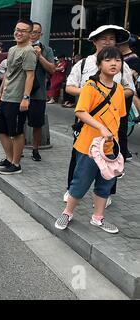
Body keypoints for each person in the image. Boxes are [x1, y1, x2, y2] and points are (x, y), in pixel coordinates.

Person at [55, 47, 126, 234]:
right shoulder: (90, 86)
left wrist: (117, 144)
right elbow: (80, 111)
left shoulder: (119, 90)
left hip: (110, 147)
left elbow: (119, 117)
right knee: (80, 181)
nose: (114, 64)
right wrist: (101, 128)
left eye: (117, 60)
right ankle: (67, 212)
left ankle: (98, 217)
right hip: (88, 145)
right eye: (109, 60)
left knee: (105, 183)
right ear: (99, 64)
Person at [64, 25, 135, 205]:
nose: (108, 42)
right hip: (87, 115)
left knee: (112, 155)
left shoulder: (122, 64)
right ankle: (72, 190)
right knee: (80, 154)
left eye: (111, 39)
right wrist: (91, 93)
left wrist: (112, 96)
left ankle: (106, 192)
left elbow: (130, 89)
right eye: (103, 38)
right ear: (94, 42)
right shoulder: (83, 64)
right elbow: (69, 86)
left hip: (113, 118)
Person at [0, 19, 37, 175]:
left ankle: (16, 164)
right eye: (17, 29)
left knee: (16, 132)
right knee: (1, 129)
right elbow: (8, 73)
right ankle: (8, 158)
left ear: (30, 34)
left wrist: (26, 97)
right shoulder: (12, 49)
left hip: (17, 99)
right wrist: (0, 91)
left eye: (23, 30)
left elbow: (30, 76)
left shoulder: (29, 51)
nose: (18, 32)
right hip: (6, 96)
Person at [28, 22, 56, 161]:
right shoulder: (20, 48)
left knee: (37, 124)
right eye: (31, 31)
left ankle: (35, 150)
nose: (33, 35)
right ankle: (17, 150)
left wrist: (40, 56)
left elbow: (52, 69)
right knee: (16, 122)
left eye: (36, 32)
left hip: (38, 94)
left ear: (41, 34)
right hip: (20, 92)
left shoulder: (47, 50)